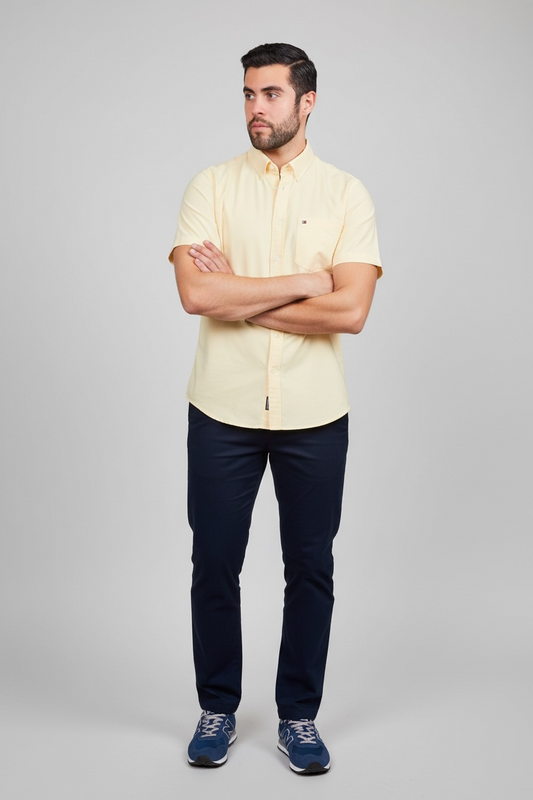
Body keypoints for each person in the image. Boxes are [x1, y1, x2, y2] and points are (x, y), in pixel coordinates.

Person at [169, 42, 382, 775]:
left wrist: (243, 296)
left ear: (306, 101)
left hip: (315, 414)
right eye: (247, 94)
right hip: (221, 408)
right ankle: (216, 708)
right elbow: (196, 294)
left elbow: (351, 311)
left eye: (269, 94)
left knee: (310, 568)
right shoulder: (210, 187)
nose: (254, 108)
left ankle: (298, 717)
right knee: (213, 564)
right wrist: (305, 282)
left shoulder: (346, 195)